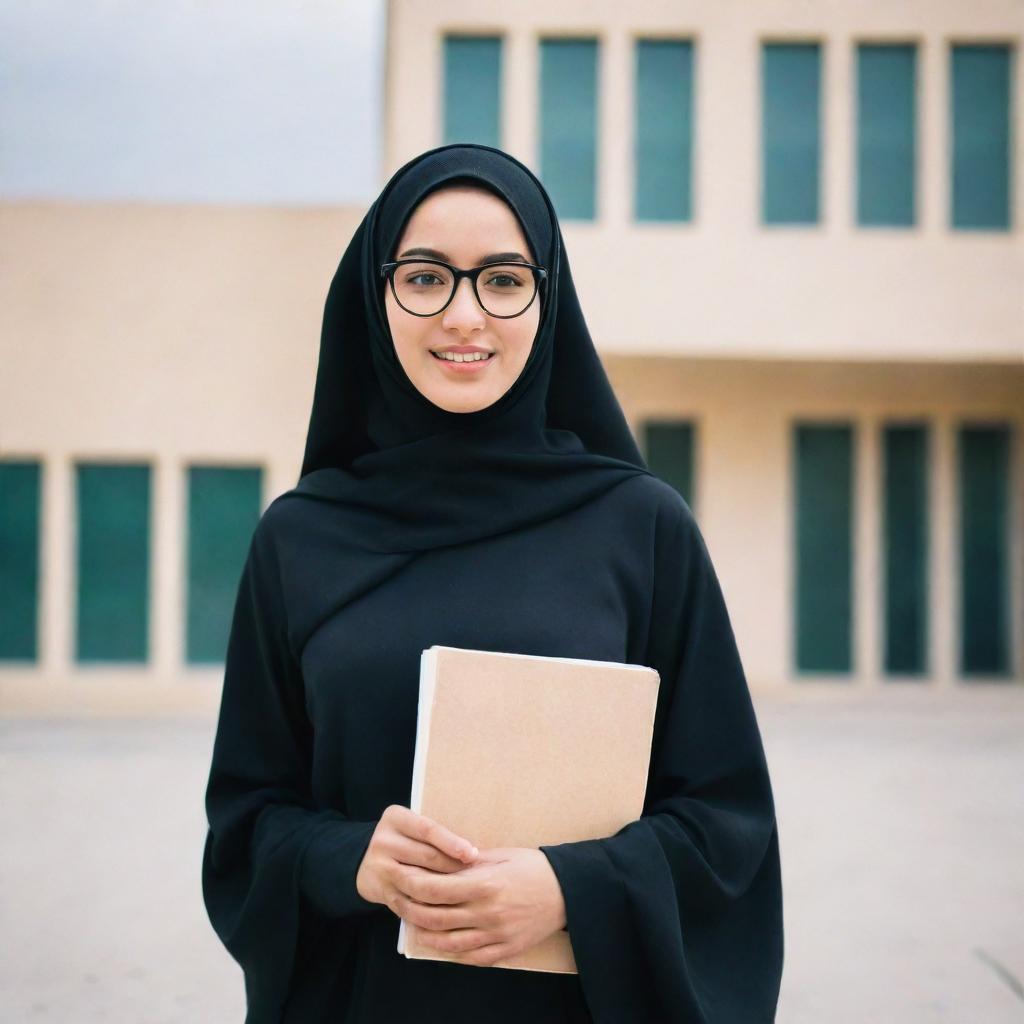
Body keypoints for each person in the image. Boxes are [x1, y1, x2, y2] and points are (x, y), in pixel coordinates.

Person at [201, 143, 784, 1023]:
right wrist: (349, 859)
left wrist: (569, 887)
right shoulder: (300, 537)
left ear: (548, 300)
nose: (465, 316)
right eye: (427, 278)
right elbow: (248, 823)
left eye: (504, 280)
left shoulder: (640, 527)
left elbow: (725, 826)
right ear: (376, 293)